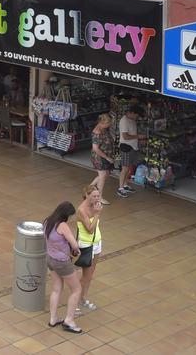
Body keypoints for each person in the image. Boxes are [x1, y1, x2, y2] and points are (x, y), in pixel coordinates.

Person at [43, 201, 83, 333]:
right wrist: (76, 250)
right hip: (62, 262)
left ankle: (53, 318)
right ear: (65, 214)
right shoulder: (63, 226)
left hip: (50, 258)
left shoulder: (47, 221)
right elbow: (74, 244)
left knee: (56, 289)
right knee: (76, 289)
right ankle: (69, 320)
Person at [74, 185, 105, 315]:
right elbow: (90, 228)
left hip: (97, 243)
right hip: (86, 245)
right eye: (94, 196)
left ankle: (83, 298)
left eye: (98, 196)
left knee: (91, 274)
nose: (97, 199)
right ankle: (74, 304)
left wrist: (96, 212)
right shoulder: (81, 210)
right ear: (87, 195)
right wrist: (97, 214)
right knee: (85, 276)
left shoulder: (95, 206)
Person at [117, 105, 144, 198]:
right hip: (126, 147)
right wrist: (138, 137)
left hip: (133, 147)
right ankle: (120, 188)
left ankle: (125, 185)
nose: (137, 117)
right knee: (124, 168)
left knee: (128, 168)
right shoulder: (124, 121)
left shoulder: (132, 120)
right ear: (132, 113)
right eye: (136, 115)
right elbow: (125, 136)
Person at [88, 114, 114, 204]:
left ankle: (90, 188)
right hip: (99, 157)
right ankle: (99, 197)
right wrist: (107, 157)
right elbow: (96, 148)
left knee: (106, 175)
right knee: (102, 177)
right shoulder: (97, 132)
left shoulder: (104, 129)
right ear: (102, 122)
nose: (109, 125)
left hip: (105, 156)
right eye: (108, 123)